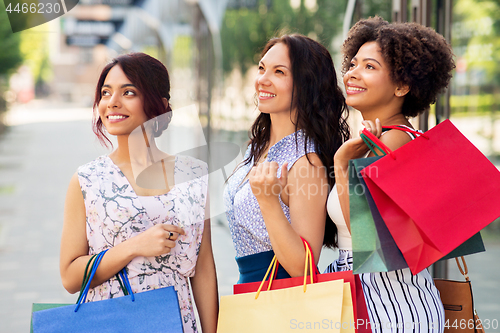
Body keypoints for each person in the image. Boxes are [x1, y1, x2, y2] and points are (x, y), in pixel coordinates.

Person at [60, 52, 218, 333]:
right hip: (112, 323)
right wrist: (133, 247)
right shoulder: (87, 180)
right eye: (106, 93)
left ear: (159, 104)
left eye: (128, 92)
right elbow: (71, 277)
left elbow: (203, 267)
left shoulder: (194, 174)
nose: (112, 102)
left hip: (177, 322)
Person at [324, 17, 455, 332]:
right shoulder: (376, 143)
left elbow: (365, 236)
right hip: (371, 298)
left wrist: (341, 165)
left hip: (392, 307)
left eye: (369, 67)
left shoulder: (396, 142)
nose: (353, 73)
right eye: (353, 64)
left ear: (402, 85)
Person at [223, 34, 350, 284]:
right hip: (248, 294)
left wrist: (269, 201)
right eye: (262, 68)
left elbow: (304, 269)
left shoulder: (306, 162)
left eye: (279, 72)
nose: (262, 80)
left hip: (278, 297)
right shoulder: (257, 148)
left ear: (306, 85)